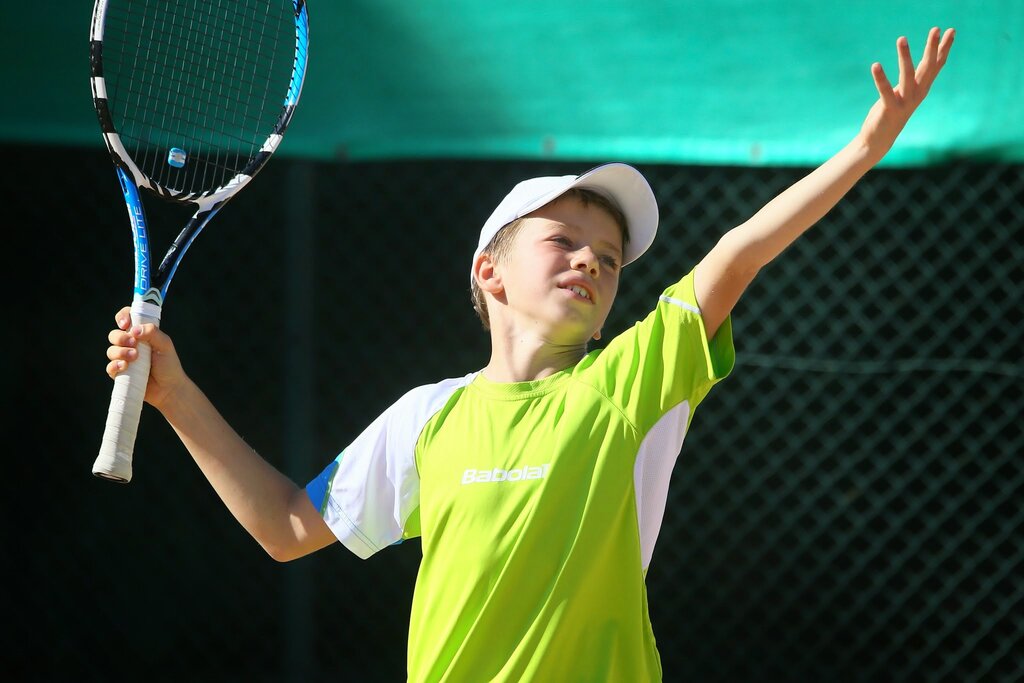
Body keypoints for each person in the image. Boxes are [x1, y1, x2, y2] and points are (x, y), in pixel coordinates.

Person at [102, 28, 954, 682]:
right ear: (490, 271)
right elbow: (287, 525)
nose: (590, 261)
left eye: (609, 258)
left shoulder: (632, 380)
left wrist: (863, 151)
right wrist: (175, 394)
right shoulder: (428, 417)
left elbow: (736, 254)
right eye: (563, 239)